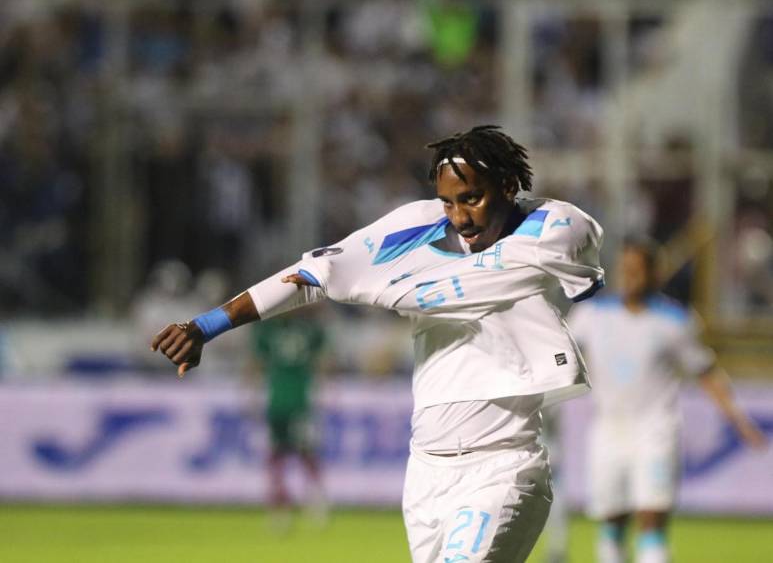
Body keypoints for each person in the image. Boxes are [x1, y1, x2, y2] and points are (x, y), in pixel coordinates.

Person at [151, 125, 605, 563]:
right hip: (426, 468)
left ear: (508, 185)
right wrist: (205, 326)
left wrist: (420, 287)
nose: (461, 217)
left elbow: (581, 268)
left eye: (472, 198)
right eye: (448, 202)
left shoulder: (552, 228)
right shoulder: (412, 229)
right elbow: (314, 275)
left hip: (504, 463)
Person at [568, 238, 767, 563]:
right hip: (608, 430)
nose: (630, 276)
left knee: (652, 522)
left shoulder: (674, 321)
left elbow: (706, 372)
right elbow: (559, 355)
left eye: (638, 270)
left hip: (655, 431)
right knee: (611, 525)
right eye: (625, 269)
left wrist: (740, 421)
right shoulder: (591, 315)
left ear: (654, 274)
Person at [251, 310, 328, 528]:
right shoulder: (307, 330)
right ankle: (288, 505)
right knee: (286, 455)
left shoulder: (270, 330)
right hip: (288, 400)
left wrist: (252, 394)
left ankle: (308, 503)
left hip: (291, 399)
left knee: (298, 453)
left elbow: (256, 364)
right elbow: (322, 362)